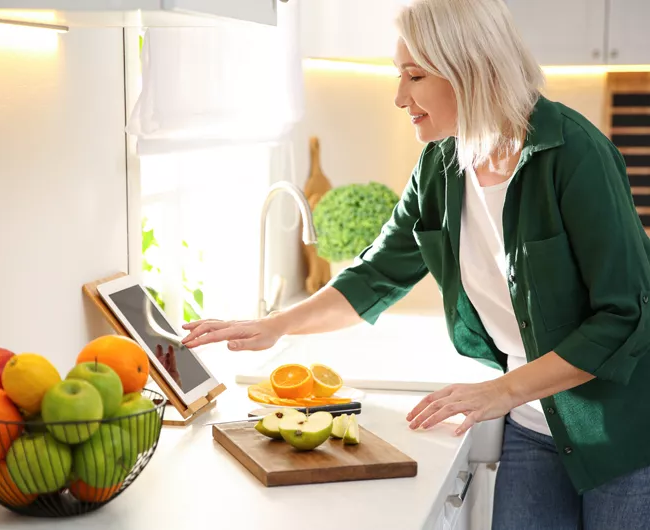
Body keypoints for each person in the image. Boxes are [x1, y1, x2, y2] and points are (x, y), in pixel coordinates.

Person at [181, 0, 650, 527]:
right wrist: (275, 325)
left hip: (625, 429)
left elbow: (624, 317)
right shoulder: (441, 164)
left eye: (415, 75)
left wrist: (497, 390)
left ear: (470, 70)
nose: (400, 96)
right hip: (532, 423)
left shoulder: (575, 154)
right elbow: (378, 273)